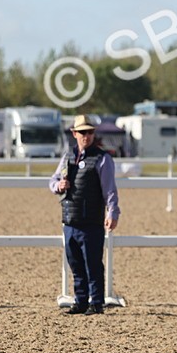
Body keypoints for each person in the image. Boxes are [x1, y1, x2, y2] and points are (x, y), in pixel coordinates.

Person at [49, 115, 120, 315]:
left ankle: (96, 302)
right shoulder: (67, 158)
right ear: (74, 134)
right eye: (82, 132)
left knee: (93, 264)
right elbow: (53, 180)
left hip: (91, 221)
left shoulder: (102, 159)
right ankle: (80, 300)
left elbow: (110, 190)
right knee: (76, 264)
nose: (86, 136)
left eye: (89, 132)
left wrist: (112, 212)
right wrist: (58, 186)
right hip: (70, 220)